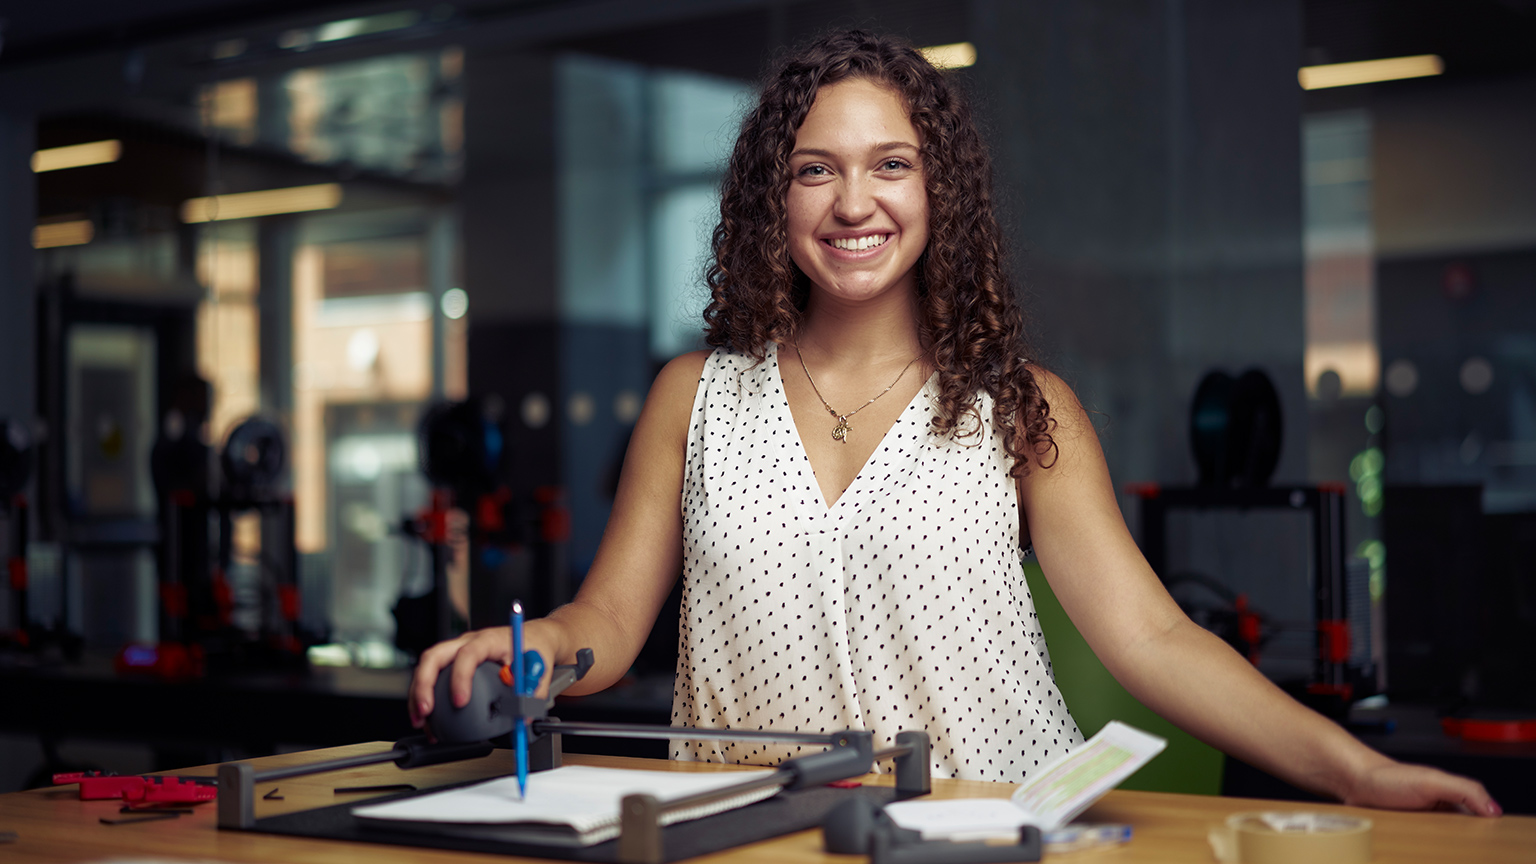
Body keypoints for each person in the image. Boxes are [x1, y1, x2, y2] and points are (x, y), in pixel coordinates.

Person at [411, 30, 1500, 815]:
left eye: (892, 165)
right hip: (750, 838)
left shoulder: (1023, 410)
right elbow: (609, 616)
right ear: (770, 200)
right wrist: (543, 647)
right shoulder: (693, 396)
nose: (854, 204)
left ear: (940, 195)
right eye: (814, 172)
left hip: (994, 836)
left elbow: (1155, 640)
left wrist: (1358, 772)